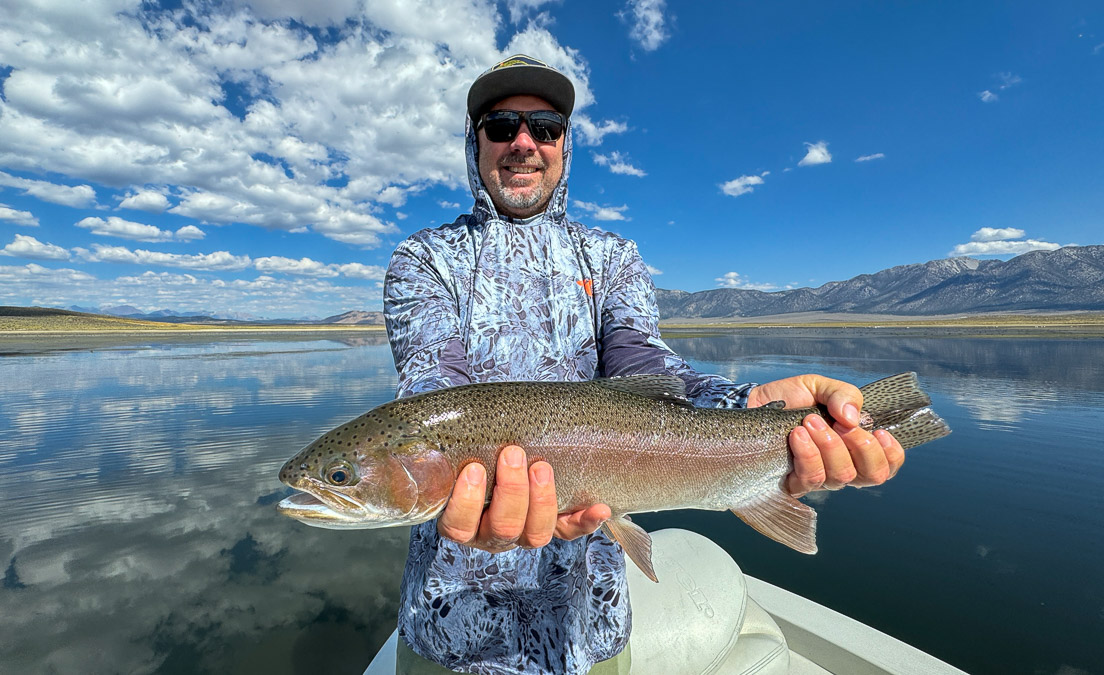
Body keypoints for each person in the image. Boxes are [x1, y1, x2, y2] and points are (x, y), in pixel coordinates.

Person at [383, 54, 905, 675]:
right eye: (501, 125)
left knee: (872, 424)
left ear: (564, 146)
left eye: (544, 128)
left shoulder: (611, 257)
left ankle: (902, 417)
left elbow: (647, 367)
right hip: (450, 628)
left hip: (592, 626)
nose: (523, 143)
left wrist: (744, 408)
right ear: (476, 145)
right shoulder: (424, 259)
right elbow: (434, 391)